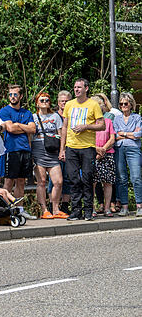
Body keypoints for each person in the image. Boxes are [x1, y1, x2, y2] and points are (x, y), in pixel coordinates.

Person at [59, 78, 104, 221]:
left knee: (87, 179)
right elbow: (65, 127)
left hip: (88, 148)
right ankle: (76, 211)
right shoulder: (69, 105)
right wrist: (62, 149)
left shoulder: (93, 104)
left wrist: (86, 126)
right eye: (75, 87)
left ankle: (88, 210)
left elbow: (101, 125)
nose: (76, 89)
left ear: (86, 88)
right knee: (73, 179)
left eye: (79, 87)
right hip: (71, 147)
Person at [0, 85, 36, 217]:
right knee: (9, 181)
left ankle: (19, 210)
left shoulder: (27, 113)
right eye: (10, 95)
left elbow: (33, 129)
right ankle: (6, 209)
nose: (12, 97)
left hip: (25, 149)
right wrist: (23, 127)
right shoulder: (5, 111)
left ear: (20, 96)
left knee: (21, 181)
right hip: (11, 149)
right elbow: (11, 129)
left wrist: (18, 125)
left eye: (15, 95)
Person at [31, 92, 66, 219]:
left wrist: (62, 150)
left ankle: (56, 209)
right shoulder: (33, 117)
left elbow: (61, 134)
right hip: (38, 149)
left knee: (58, 181)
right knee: (41, 181)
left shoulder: (55, 116)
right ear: (37, 103)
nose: (44, 102)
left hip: (53, 150)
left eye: (47, 100)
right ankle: (44, 210)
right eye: (42, 100)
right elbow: (30, 135)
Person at [112, 92, 142, 216]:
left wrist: (122, 133)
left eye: (126, 103)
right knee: (122, 178)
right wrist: (130, 133)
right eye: (121, 104)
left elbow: (138, 135)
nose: (123, 106)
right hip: (119, 149)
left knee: (136, 178)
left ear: (131, 104)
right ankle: (124, 206)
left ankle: (139, 205)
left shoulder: (137, 118)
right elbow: (114, 135)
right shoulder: (117, 118)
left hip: (133, 149)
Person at [93, 95, 116, 216]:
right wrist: (97, 150)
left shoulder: (108, 121)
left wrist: (103, 149)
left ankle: (107, 208)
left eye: (99, 106)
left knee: (108, 182)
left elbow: (112, 138)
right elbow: (86, 140)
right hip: (93, 154)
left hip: (107, 154)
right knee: (92, 182)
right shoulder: (89, 123)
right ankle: (91, 208)